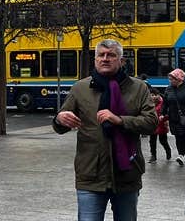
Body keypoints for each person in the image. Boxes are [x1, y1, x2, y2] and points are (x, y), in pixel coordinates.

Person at [53, 39, 156, 221]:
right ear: (95, 60)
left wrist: (119, 120)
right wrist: (60, 119)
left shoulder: (138, 88)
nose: (105, 59)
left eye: (111, 55)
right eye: (101, 55)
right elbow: (60, 123)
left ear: (121, 61)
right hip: (90, 174)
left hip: (127, 174)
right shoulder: (80, 88)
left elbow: (150, 122)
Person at [162, 68, 185, 166]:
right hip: (173, 117)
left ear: (179, 79)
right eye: (170, 79)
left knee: (183, 136)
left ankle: (181, 155)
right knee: (177, 136)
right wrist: (162, 113)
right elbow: (165, 103)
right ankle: (180, 154)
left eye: (172, 79)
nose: (170, 81)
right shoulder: (168, 89)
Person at [148, 88, 171, 163]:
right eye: (152, 95)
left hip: (162, 124)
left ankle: (168, 151)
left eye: (155, 95)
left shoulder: (163, 103)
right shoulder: (148, 103)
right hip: (152, 125)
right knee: (152, 142)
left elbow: (167, 113)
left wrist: (165, 120)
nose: (153, 97)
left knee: (163, 141)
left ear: (158, 95)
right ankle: (153, 156)